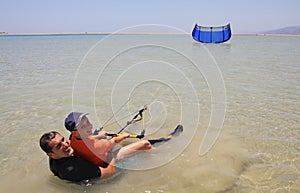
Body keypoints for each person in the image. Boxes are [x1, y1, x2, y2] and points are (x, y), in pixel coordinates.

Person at [64, 112, 183, 168]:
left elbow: (87, 140)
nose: (90, 126)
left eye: (88, 122)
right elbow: (113, 142)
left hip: (95, 157)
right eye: (84, 126)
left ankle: (166, 138)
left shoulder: (73, 138)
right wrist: (123, 136)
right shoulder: (97, 146)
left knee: (131, 143)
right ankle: (160, 151)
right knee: (145, 143)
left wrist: (100, 136)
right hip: (107, 160)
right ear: (75, 132)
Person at [39, 131, 117, 182]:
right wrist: (111, 154)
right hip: (89, 180)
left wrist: (98, 136)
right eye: (59, 146)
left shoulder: (56, 154)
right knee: (121, 152)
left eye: (63, 139)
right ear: (51, 155)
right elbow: (110, 172)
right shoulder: (74, 167)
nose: (66, 144)